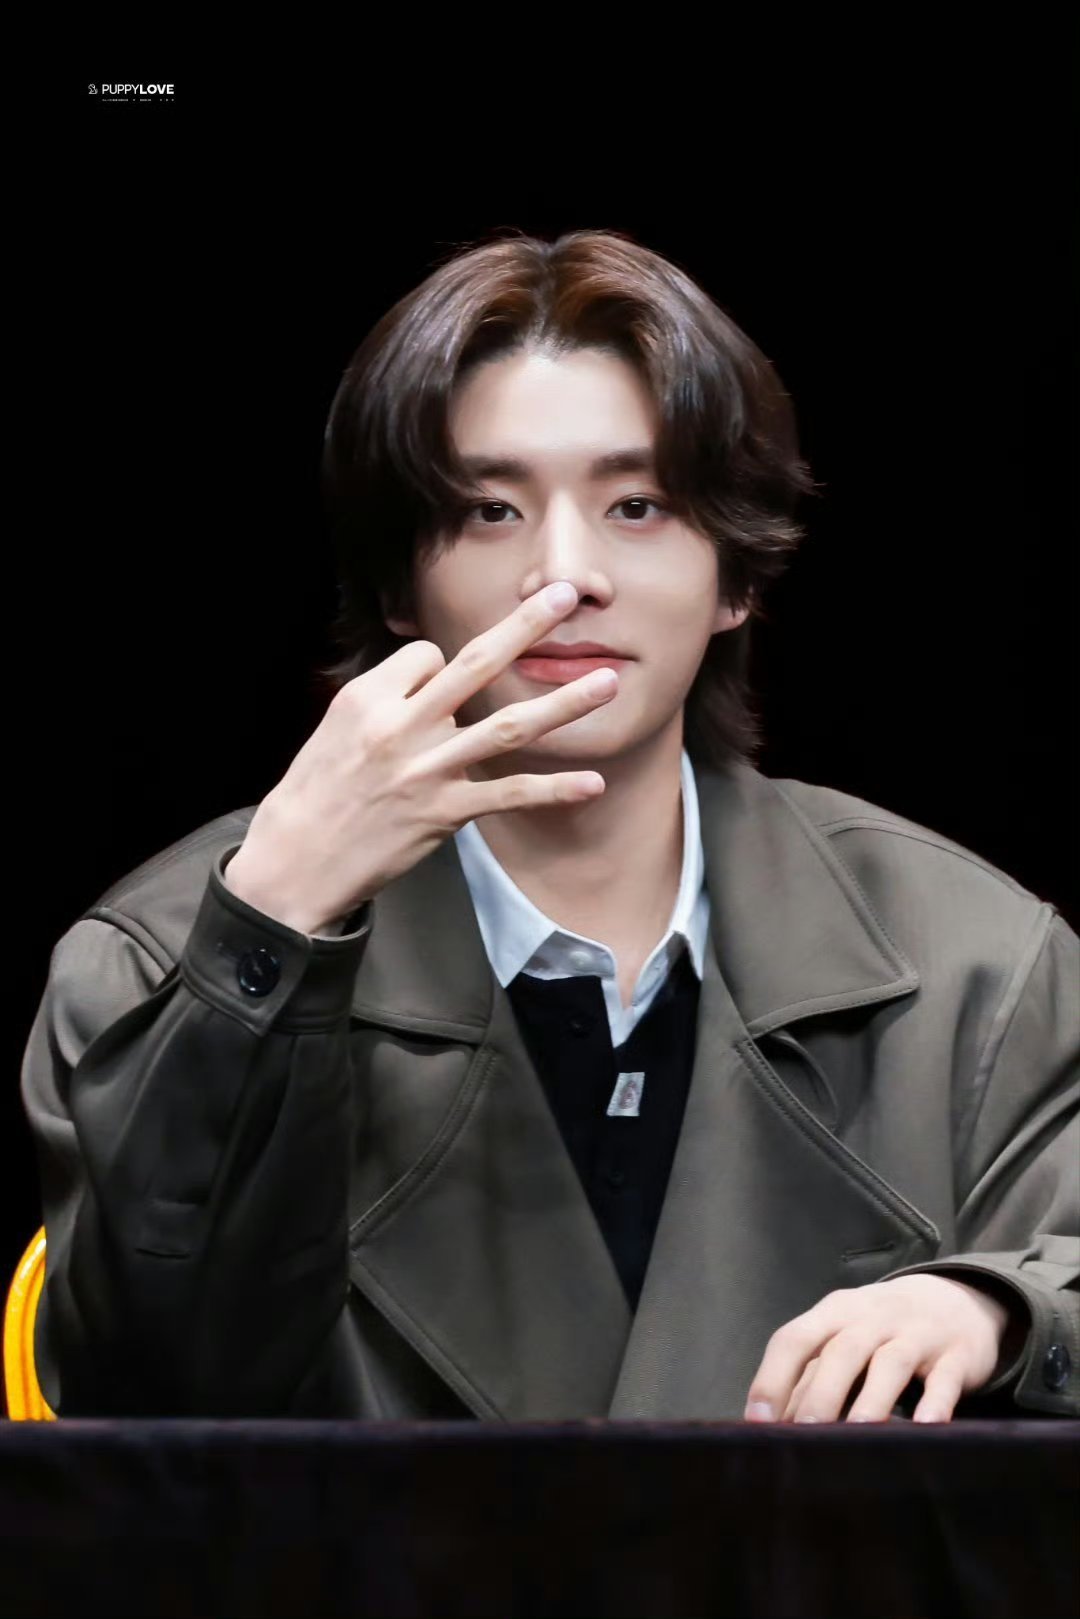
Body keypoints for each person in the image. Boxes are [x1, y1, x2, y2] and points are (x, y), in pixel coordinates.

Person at [21, 229, 1078, 1421]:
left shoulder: (977, 964)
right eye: (489, 509)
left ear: (737, 576)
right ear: (396, 584)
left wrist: (1000, 1308)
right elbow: (136, 1402)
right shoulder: (162, 955)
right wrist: (267, 926)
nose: (566, 574)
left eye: (637, 504)